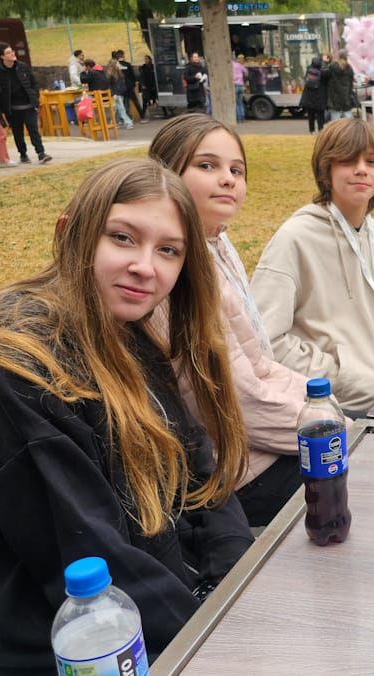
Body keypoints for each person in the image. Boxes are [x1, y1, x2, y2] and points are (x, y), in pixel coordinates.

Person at [0, 158, 254, 672]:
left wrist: (244, 588)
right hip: (87, 652)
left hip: (178, 611)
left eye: (168, 251)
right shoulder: (12, 370)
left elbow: (201, 475)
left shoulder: (124, 330)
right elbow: (89, 566)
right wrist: (229, 643)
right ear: (70, 232)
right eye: (122, 238)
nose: (146, 266)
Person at [149, 115, 325, 527]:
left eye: (236, 170)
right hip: (234, 474)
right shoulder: (177, 271)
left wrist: (324, 408)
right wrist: (330, 430)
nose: (227, 179)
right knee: (365, 481)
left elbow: (260, 364)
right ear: (165, 174)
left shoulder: (217, 243)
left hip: (260, 444)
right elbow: (234, 403)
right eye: (206, 166)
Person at [250, 118, 374, 415]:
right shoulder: (294, 239)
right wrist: (339, 378)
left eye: (371, 162)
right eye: (348, 160)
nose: (362, 169)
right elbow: (265, 339)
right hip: (335, 409)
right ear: (326, 170)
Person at [0, 42, 51, 165]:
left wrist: (35, 98)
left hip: (28, 104)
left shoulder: (22, 66)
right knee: (18, 133)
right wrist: (1, 109)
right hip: (12, 108)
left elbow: (34, 83)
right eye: (8, 52)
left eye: (12, 51)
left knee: (33, 129)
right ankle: (23, 154)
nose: (12, 54)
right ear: (2, 57)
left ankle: (41, 153)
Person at [115, 49, 143, 123]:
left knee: (123, 103)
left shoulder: (116, 66)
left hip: (121, 87)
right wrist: (133, 84)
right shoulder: (127, 64)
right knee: (135, 101)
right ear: (123, 55)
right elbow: (133, 75)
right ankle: (142, 116)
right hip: (129, 86)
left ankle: (124, 118)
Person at [325, 50, 355, 121]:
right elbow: (351, 83)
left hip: (334, 97)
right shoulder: (349, 68)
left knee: (335, 119)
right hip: (346, 96)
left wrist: (325, 62)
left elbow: (325, 76)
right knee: (348, 116)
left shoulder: (332, 66)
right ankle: (350, 131)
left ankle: (336, 131)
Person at [106, 59, 135, 129]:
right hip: (116, 94)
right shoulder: (111, 75)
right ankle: (128, 123)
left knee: (116, 110)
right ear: (114, 65)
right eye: (118, 64)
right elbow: (109, 86)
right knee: (121, 109)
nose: (119, 65)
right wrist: (113, 94)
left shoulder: (119, 73)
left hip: (119, 93)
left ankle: (112, 123)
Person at [301, 56, 327, 134]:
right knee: (320, 115)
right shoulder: (322, 73)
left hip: (309, 97)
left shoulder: (308, 71)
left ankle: (311, 131)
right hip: (319, 97)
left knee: (310, 116)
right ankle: (320, 130)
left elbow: (305, 81)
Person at [140, 54, 165, 118]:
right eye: (144, 59)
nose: (145, 60)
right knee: (145, 100)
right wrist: (142, 84)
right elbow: (141, 77)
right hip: (146, 86)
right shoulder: (143, 67)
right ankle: (142, 115)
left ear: (150, 60)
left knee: (159, 98)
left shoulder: (153, 67)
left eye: (146, 59)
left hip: (154, 85)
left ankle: (165, 112)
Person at [231, 55, 247, 123]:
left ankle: (239, 118)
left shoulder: (231, 64)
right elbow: (246, 72)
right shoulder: (240, 65)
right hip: (241, 85)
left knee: (236, 103)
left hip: (235, 85)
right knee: (240, 103)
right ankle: (243, 117)